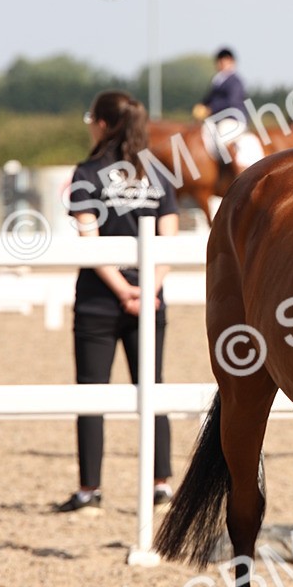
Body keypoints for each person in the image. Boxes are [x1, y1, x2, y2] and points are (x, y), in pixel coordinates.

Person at [53, 91, 179, 514]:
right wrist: (149, 289)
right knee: (153, 387)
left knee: (91, 393)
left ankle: (90, 489)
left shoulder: (88, 172)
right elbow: (169, 240)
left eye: (92, 117)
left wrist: (122, 290)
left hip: (98, 300)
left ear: (104, 124)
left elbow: (90, 241)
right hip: (150, 298)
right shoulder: (159, 171)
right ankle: (161, 483)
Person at [193, 48, 264, 177]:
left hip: (233, 119)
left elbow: (231, 101)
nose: (220, 64)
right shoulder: (217, 80)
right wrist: (202, 106)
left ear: (231, 62)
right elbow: (209, 98)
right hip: (218, 119)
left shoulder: (235, 81)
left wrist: (211, 109)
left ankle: (238, 173)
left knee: (222, 139)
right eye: (219, 61)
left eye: (223, 61)